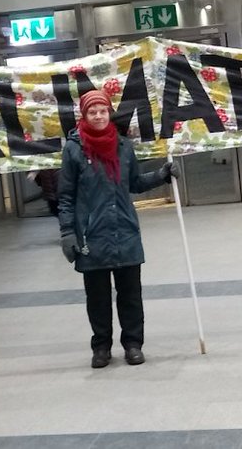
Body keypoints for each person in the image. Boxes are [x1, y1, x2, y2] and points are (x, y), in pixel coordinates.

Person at [58, 90, 177, 369]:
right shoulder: (74, 149)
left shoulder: (123, 146)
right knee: (97, 298)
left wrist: (161, 175)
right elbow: (65, 196)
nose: (98, 116)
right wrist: (67, 232)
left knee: (131, 295)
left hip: (124, 230)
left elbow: (133, 183)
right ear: (84, 116)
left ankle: (133, 344)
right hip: (91, 235)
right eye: (92, 112)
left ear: (109, 112)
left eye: (102, 110)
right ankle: (101, 347)